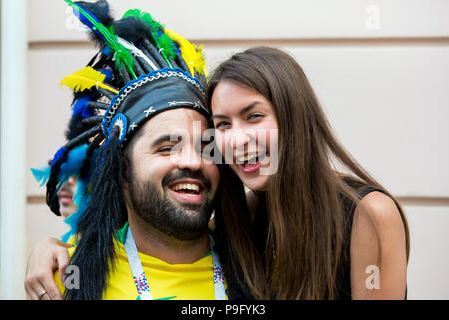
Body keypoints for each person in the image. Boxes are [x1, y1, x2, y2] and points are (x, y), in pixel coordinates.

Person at [25, 0, 246, 300]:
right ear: (122, 170)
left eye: (206, 147)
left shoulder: (260, 268)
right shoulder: (66, 280)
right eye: (167, 147)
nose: (193, 162)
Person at [207, 46, 410, 299]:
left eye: (254, 116)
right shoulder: (234, 221)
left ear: (294, 117)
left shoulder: (368, 215)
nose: (236, 140)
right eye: (223, 124)